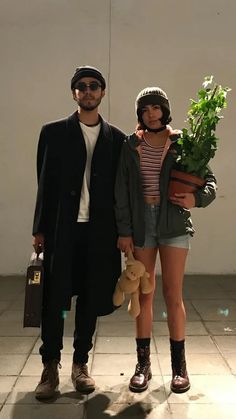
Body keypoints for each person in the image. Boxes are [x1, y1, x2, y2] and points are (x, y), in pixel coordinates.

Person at [115, 87, 217, 393]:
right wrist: (124, 230)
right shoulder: (130, 144)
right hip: (141, 224)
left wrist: (196, 198)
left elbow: (210, 181)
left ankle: (179, 368)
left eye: (156, 107)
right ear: (140, 114)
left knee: (174, 294)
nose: (151, 113)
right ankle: (143, 366)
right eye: (145, 109)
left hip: (173, 222)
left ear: (165, 109)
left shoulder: (182, 143)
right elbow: (120, 189)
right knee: (143, 294)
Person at [32, 65, 126, 400]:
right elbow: (44, 184)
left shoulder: (117, 138)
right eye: (82, 86)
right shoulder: (53, 132)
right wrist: (39, 228)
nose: (88, 91)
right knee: (55, 301)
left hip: (100, 233)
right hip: (62, 231)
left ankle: (80, 364)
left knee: (90, 298)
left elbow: (121, 189)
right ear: (74, 92)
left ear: (102, 92)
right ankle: (50, 366)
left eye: (94, 86)